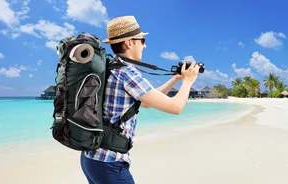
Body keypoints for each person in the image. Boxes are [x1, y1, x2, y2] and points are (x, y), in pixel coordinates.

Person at [79, 15, 200, 184]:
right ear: (129, 42)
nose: (145, 45)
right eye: (142, 40)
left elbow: (146, 102)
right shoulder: (127, 74)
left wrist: (175, 79)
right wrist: (188, 81)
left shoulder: (109, 67)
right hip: (110, 163)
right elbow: (176, 107)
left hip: (91, 158)